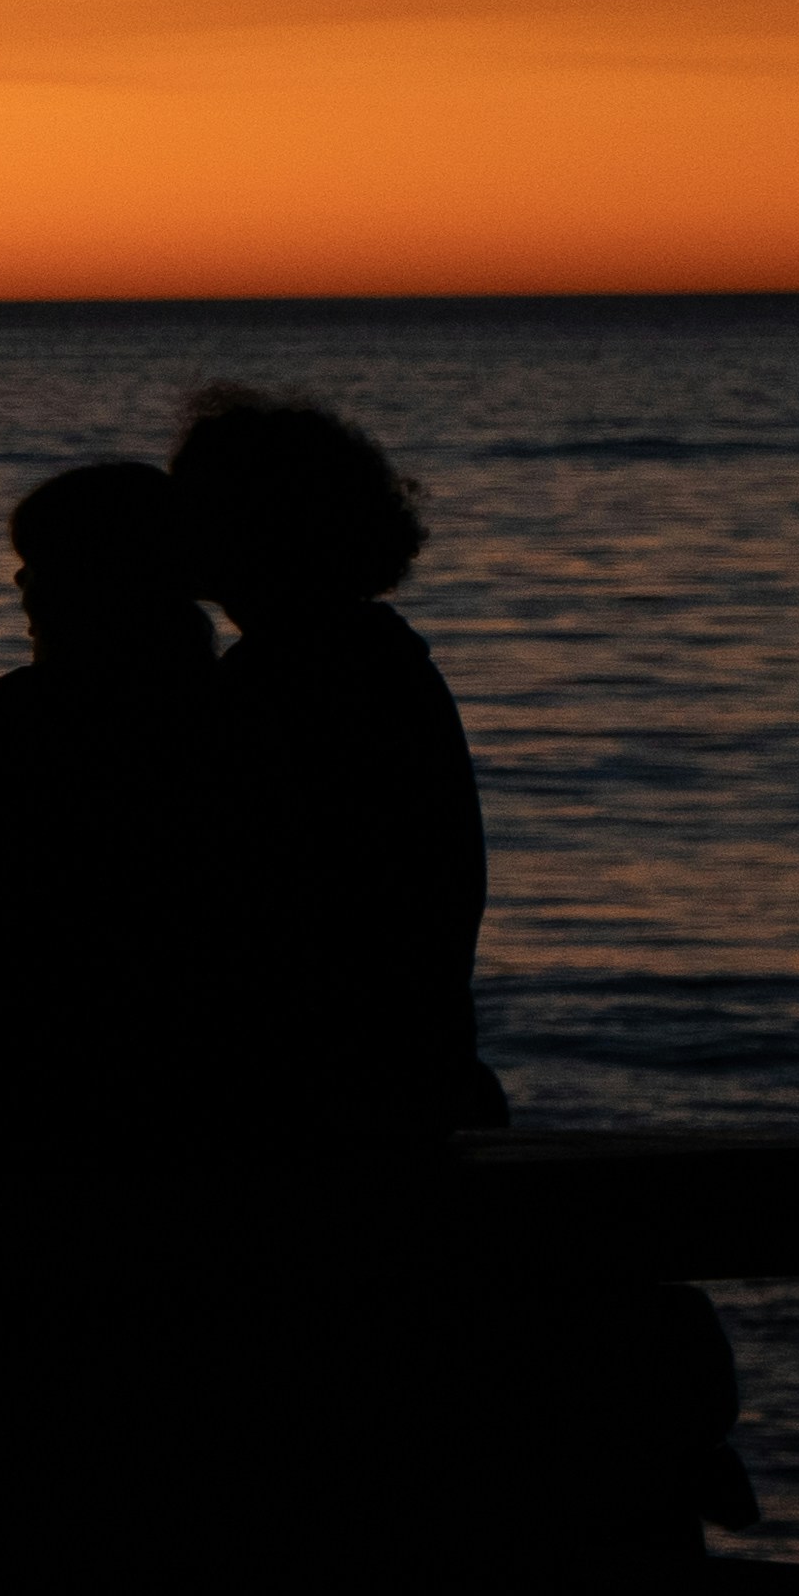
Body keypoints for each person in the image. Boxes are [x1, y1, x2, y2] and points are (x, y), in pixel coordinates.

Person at [0, 462, 229, 1174]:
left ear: (87, 582)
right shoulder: (233, 718)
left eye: (37, 565)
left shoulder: (3, 732)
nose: (19, 582)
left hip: (9, 1104)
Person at [176, 389, 505, 1146]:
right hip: (401, 1071)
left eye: (193, 502)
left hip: (320, 1094)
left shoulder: (290, 679)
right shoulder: (376, 659)